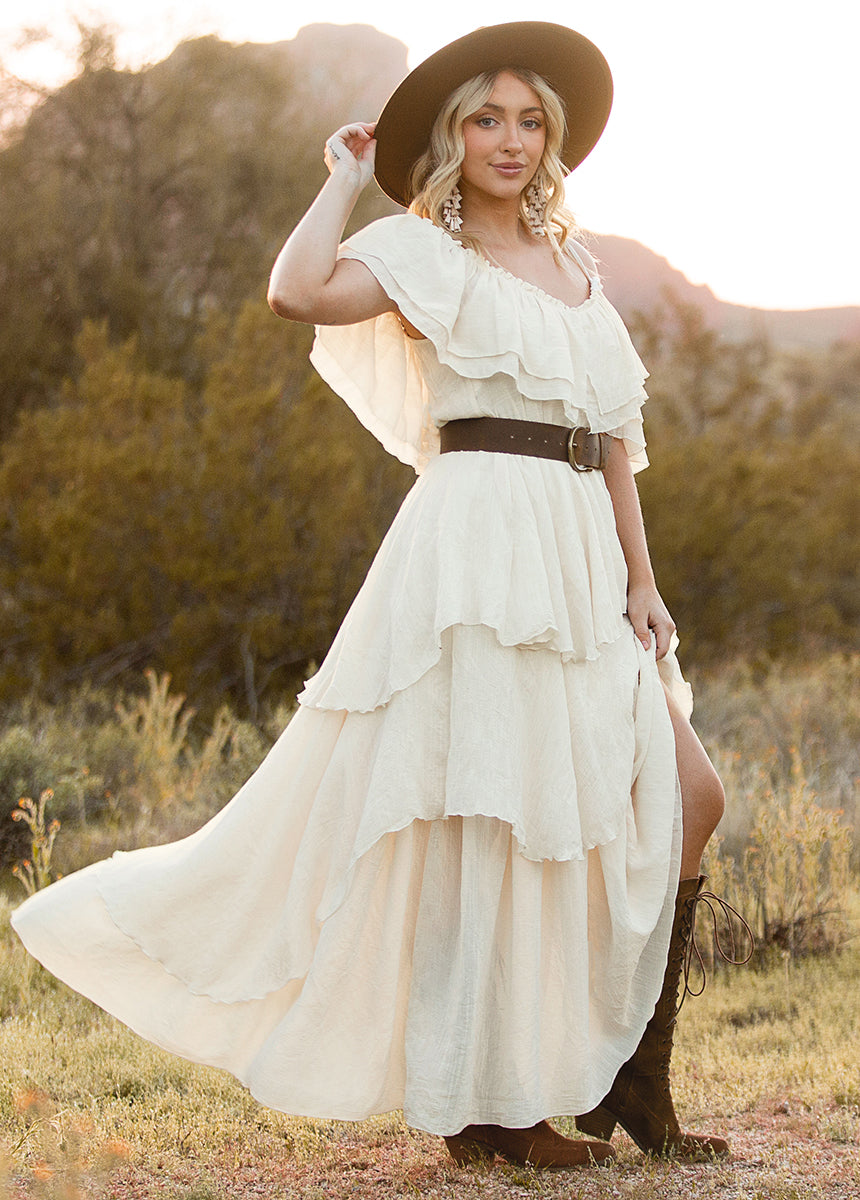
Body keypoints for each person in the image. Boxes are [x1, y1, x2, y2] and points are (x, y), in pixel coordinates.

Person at [12, 21, 749, 1172]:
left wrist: (642, 584)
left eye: (530, 120)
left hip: (582, 562)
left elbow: (610, 440)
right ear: (452, 135)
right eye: (486, 117)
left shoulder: (578, 271)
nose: (510, 139)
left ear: (550, 140)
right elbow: (296, 291)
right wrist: (344, 179)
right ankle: (485, 1113)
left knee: (684, 793)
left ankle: (631, 1082)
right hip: (476, 551)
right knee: (491, 818)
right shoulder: (421, 254)